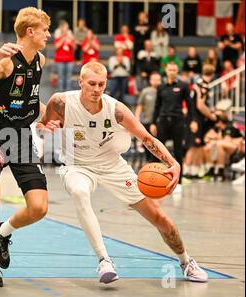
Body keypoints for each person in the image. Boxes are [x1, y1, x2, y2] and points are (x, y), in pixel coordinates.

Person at [37, 61, 208, 284]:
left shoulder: (115, 109)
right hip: (77, 165)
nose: (97, 89)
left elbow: (146, 138)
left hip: (112, 165)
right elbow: (41, 126)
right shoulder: (60, 102)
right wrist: (47, 128)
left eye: (101, 84)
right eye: (91, 84)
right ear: (80, 82)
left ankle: (186, 262)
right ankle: (104, 260)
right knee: (80, 192)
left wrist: (173, 162)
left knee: (160, 218)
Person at [0, 7, 51, 287]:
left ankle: (4, 233)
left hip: (20, 137)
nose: (48, 35)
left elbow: (30, 96)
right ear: (30, 32)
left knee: (39, 207)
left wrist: (45, 118)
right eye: (44, 30)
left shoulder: (39, 60)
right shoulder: (6, 62)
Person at [150, 62, 196, 192]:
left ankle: (179, 181)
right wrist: (153, 122)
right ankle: (154, 177)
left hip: (178, 121)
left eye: (174, 70)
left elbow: (190, 105)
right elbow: (157, 106)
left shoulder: (184, 86)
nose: (172, 72)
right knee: (157, 150)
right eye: (170, 70)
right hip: (163, 120)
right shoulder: (161, 87)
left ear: (177, 71)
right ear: (166, 70)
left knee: (178, 151)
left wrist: (192, 121)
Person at [135, 72, 162, 162]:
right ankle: (148, 163)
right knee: (148, 144)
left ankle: (157, 164)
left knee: (158, 145)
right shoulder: (145, 91)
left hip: (160, 122)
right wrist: (137, 118)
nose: (156, 81)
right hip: (147, 121)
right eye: (154, 79)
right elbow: (140, 106)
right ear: (150, 81)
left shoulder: (163, 91)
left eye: (158, 80)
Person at [54, 20, 76, 91]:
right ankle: (61, 92)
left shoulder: (70, 37)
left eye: (66, 28)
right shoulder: (58, 37)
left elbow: (74, 47)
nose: (65, 30)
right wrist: (63, 38)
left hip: (69, 59)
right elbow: (56, 46)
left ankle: (68, 92)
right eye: (64, 28)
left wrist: (71, 40)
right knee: (61, 77)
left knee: (69, 77)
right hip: (60, 60)